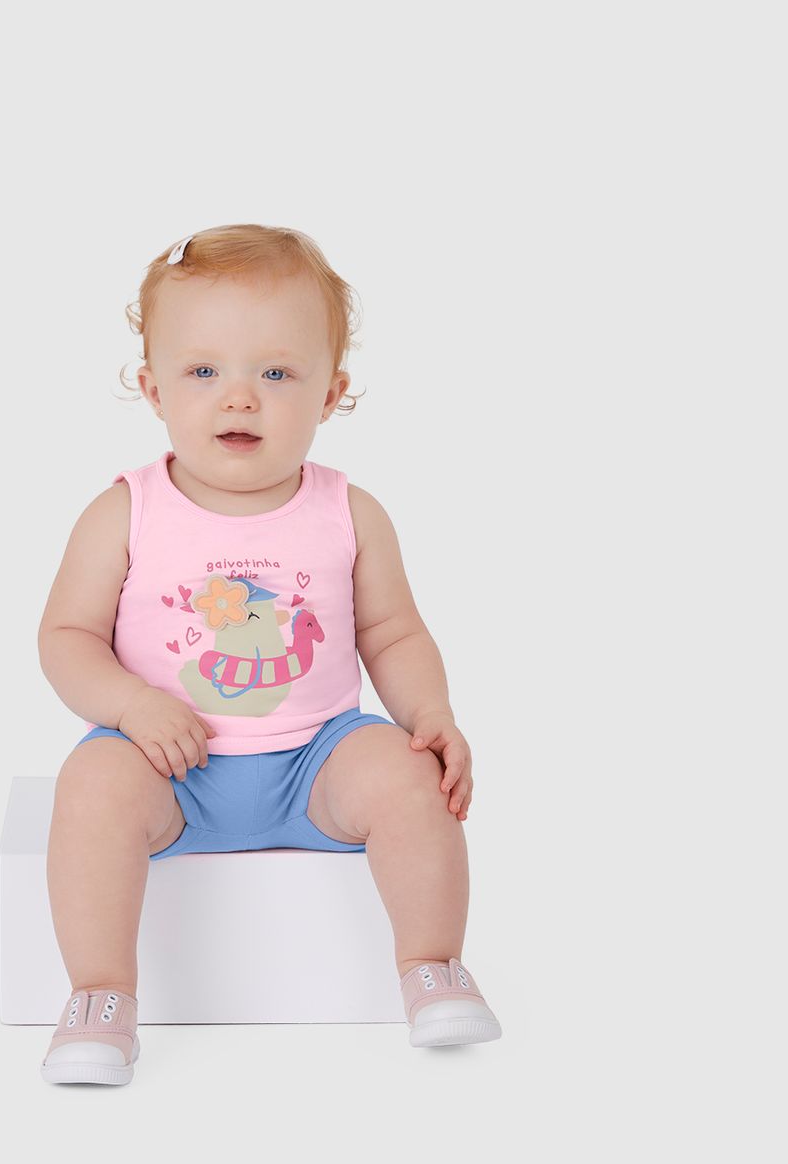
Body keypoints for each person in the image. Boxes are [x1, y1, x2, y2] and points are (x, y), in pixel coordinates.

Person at [37, 223, 502, 1085]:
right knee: (91, 785)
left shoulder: (348, 512)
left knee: (409, 777)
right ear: (153, 388)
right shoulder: (125, 511)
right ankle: (101, 994)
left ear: (332, 393)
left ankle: (432, 966)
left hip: (316, 761)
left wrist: (430, 714)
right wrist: (131, 707)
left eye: (277, 374)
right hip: (166, 769)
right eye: (203, 372)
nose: (240, 398)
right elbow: (66, 638)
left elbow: (393, 632)